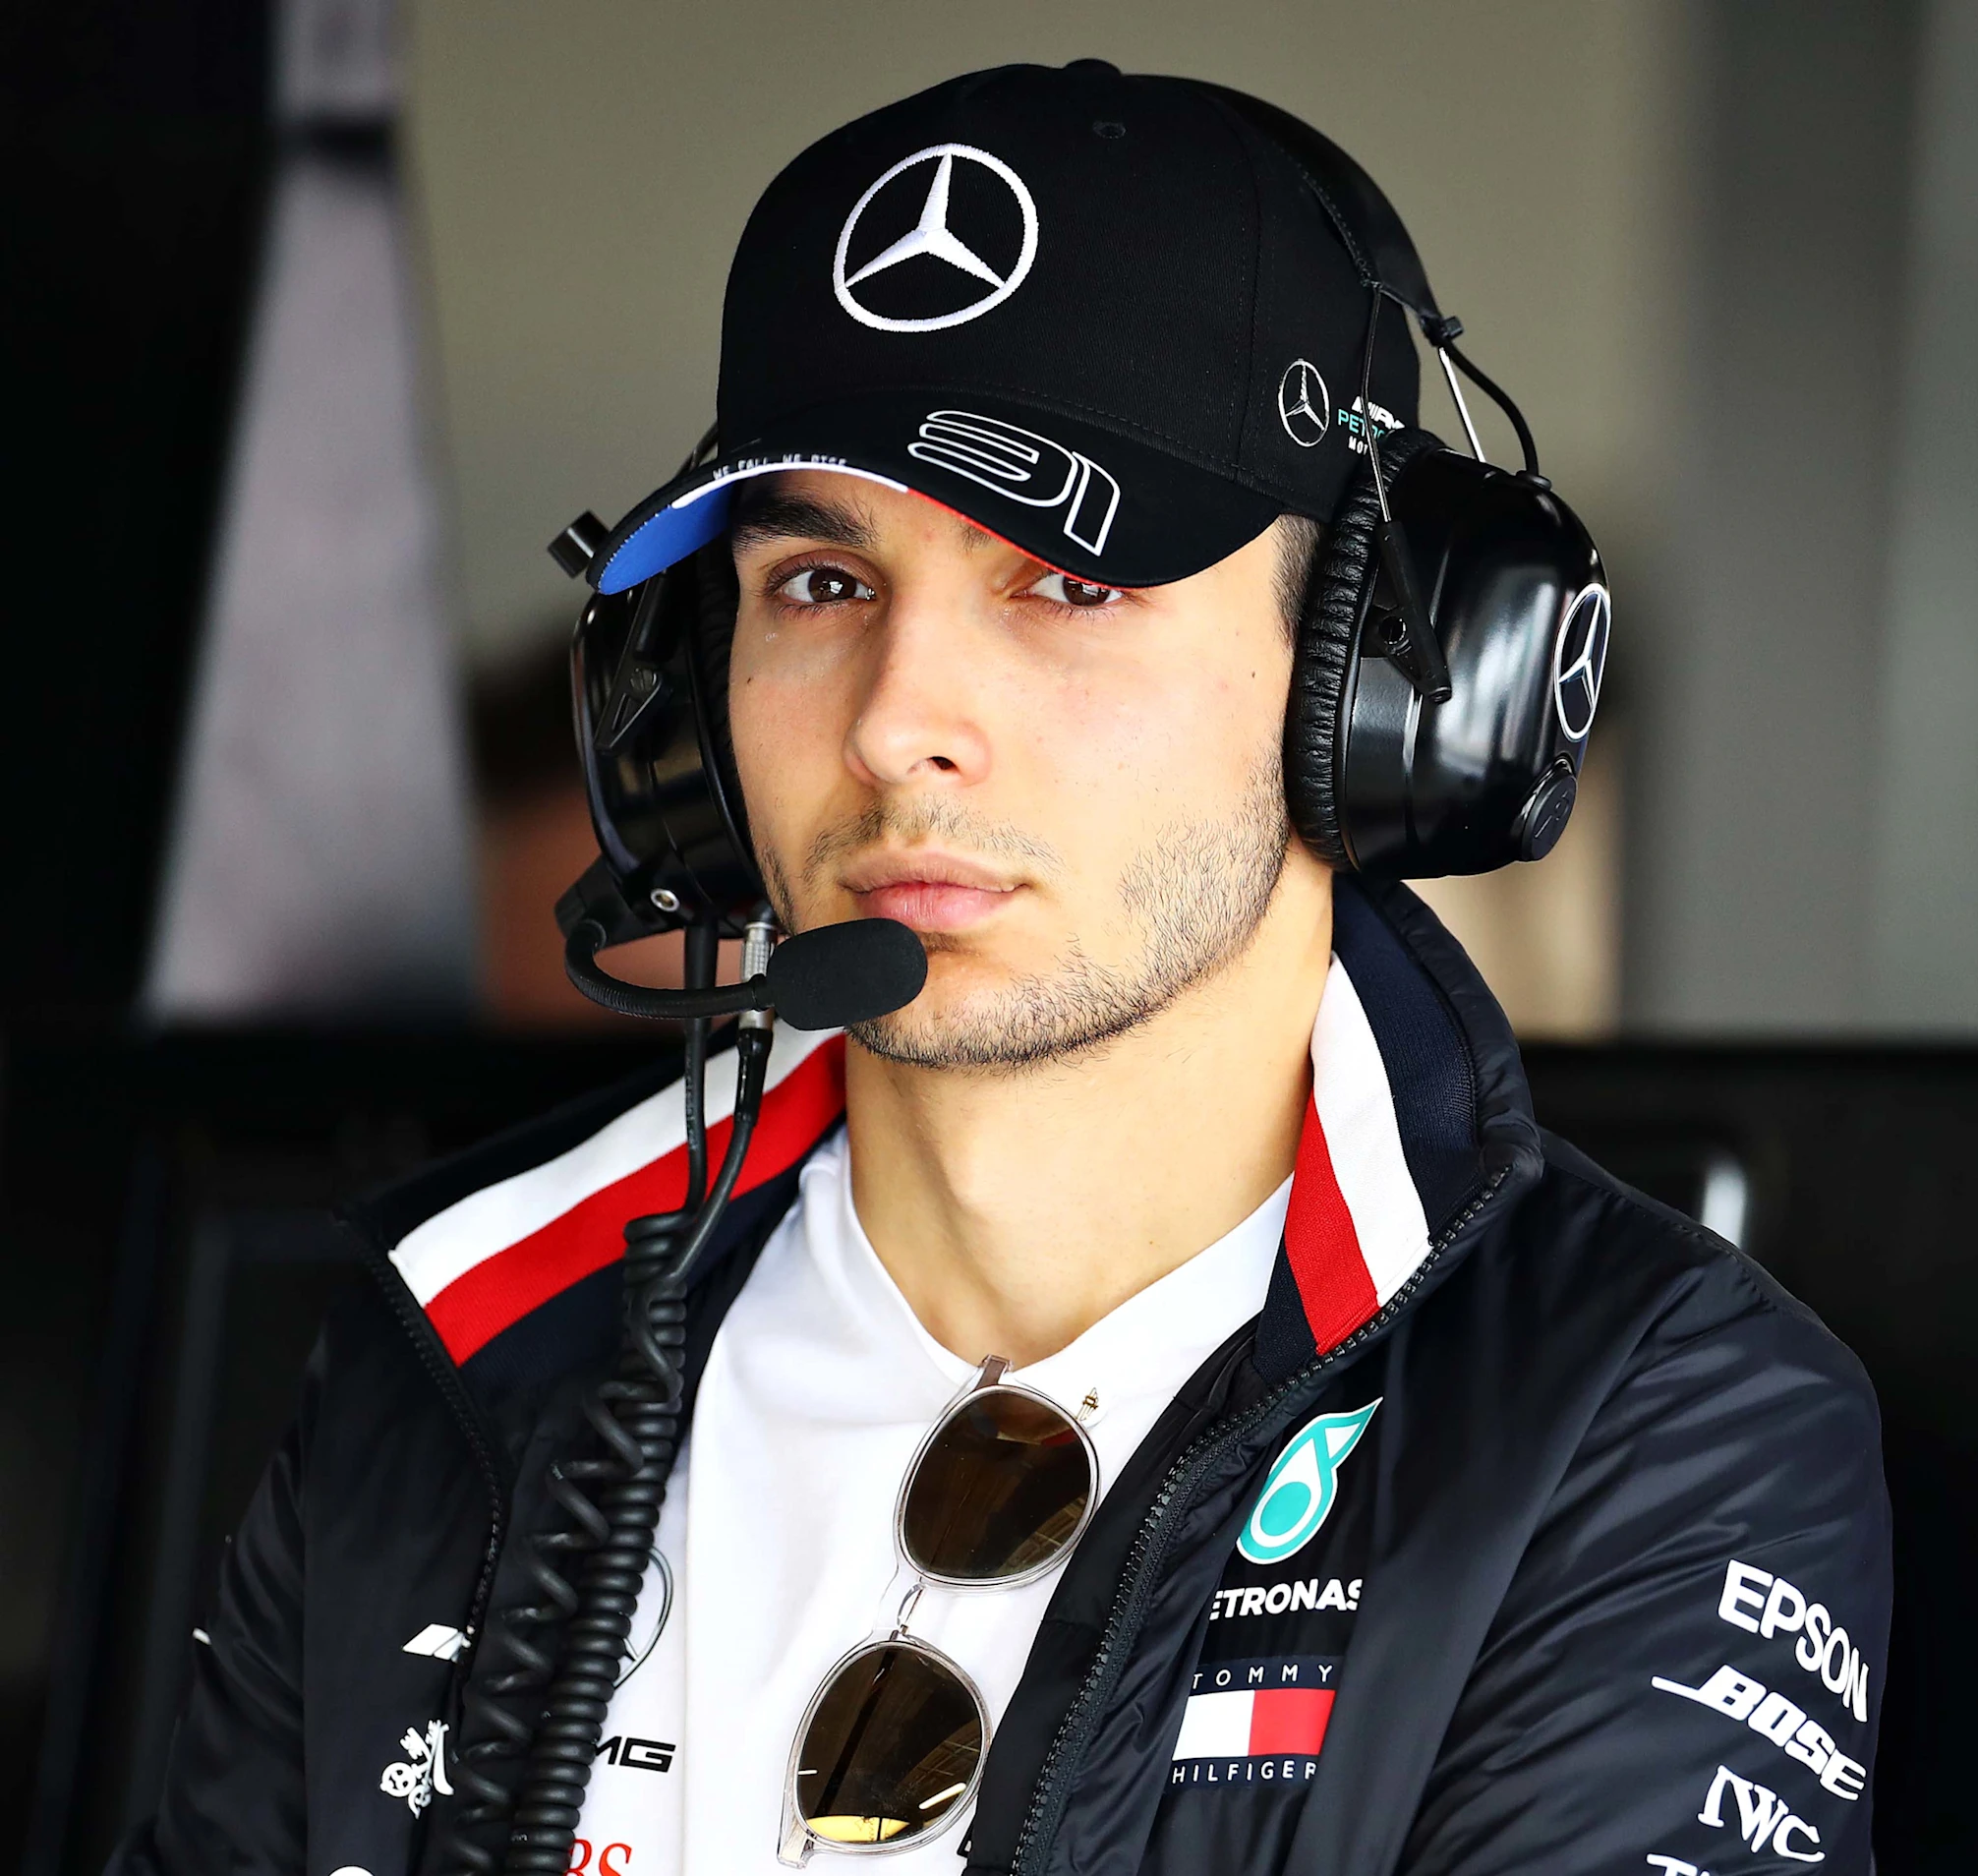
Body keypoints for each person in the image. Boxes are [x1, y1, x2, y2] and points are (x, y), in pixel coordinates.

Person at [115, 63, 1889, 1876]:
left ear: (1375, 689)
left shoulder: (1644, 1426)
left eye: (1064, 583)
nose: (896, 728)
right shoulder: (454, 1339)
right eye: (818, 582)